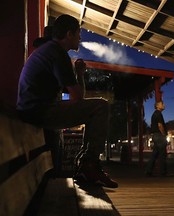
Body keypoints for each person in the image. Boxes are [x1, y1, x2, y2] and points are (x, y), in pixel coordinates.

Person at [16, 14, 118, 188]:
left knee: (95, 109)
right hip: (38, 112)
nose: (80, 37)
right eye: (79, 33)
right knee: (101, 106)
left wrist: (79, 74)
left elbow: (77, 98)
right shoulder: (57, 53)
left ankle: (88, 165)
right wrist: (75, 99)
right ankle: (89, 164)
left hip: (33, 110)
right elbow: (78, 98)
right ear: (69, 34)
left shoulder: (50, 51)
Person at [145, 100, 172, 177]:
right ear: (157, 106)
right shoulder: (158, 114)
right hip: (159, 136)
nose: (164, 105)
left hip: (155, 136)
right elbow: (160, 125)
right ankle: (163, 172)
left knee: (154, 154)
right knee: (163, 155)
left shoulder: (155, 114)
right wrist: (164, 135)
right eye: (162, 104)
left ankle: (148, 171)